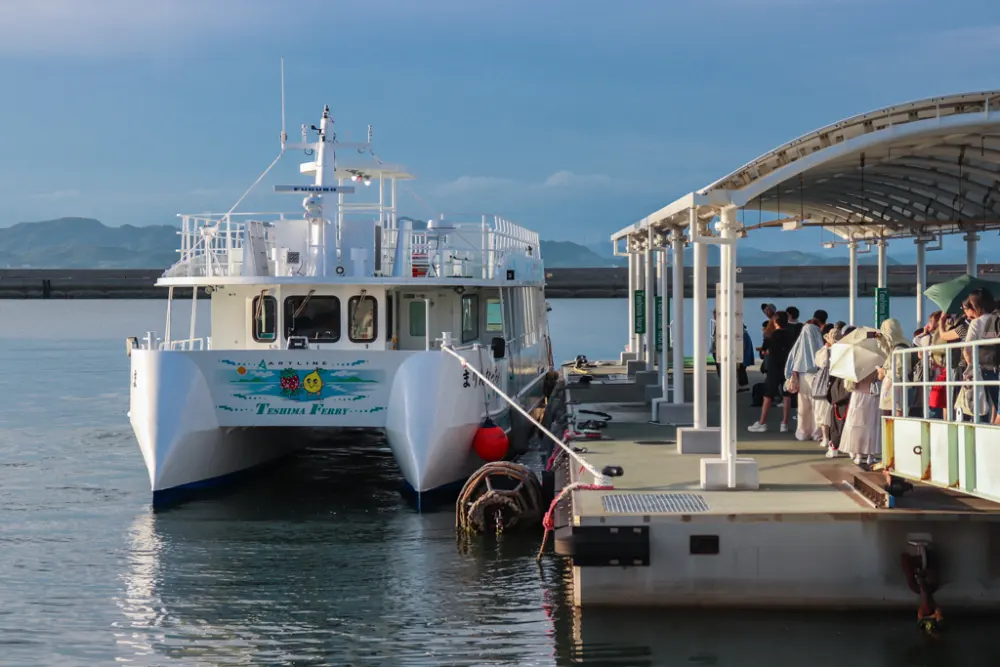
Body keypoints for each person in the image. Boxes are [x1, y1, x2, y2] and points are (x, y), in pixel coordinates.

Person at [748, 311, 796, 433]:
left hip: (774, 368)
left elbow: (764, 351)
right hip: (787, 368)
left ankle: (762, 423)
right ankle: (784, 424)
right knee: (787, 396)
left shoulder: (770, 336)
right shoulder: (792, 335)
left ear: (775, 322)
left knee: (768, 396)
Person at [960, 289, 999, 423]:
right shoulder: (997, 318)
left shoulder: (976, 322)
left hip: (986, 369)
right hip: (996, 367)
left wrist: (972, 368)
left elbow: (967, 349)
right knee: (996, 405)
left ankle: (990, 433)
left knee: (984, 406)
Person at [785, 321, 825, 442]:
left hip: (802, 376)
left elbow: (791, 361)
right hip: (817, 376)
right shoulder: (819, 344)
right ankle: (817, 432)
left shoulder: (799, 344)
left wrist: (788, 376)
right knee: (817, 405)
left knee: (803, 406)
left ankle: (803, 432)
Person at [814, 324, 844, 457]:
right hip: (838, 383)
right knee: (833, 412)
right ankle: (831, 438)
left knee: (823, 412)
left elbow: (821, 363)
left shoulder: (824, 350)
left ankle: (826, 438)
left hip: (824, 383)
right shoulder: (843, 350)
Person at [876, 318, 912, 418]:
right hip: (895, 387)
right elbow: (890, 355)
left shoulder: (899, 349)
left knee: (897, 414)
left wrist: (884, 371)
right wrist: (881, 341)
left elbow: (897, 372)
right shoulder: (902, 345)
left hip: (896, 387)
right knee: (895, 414)